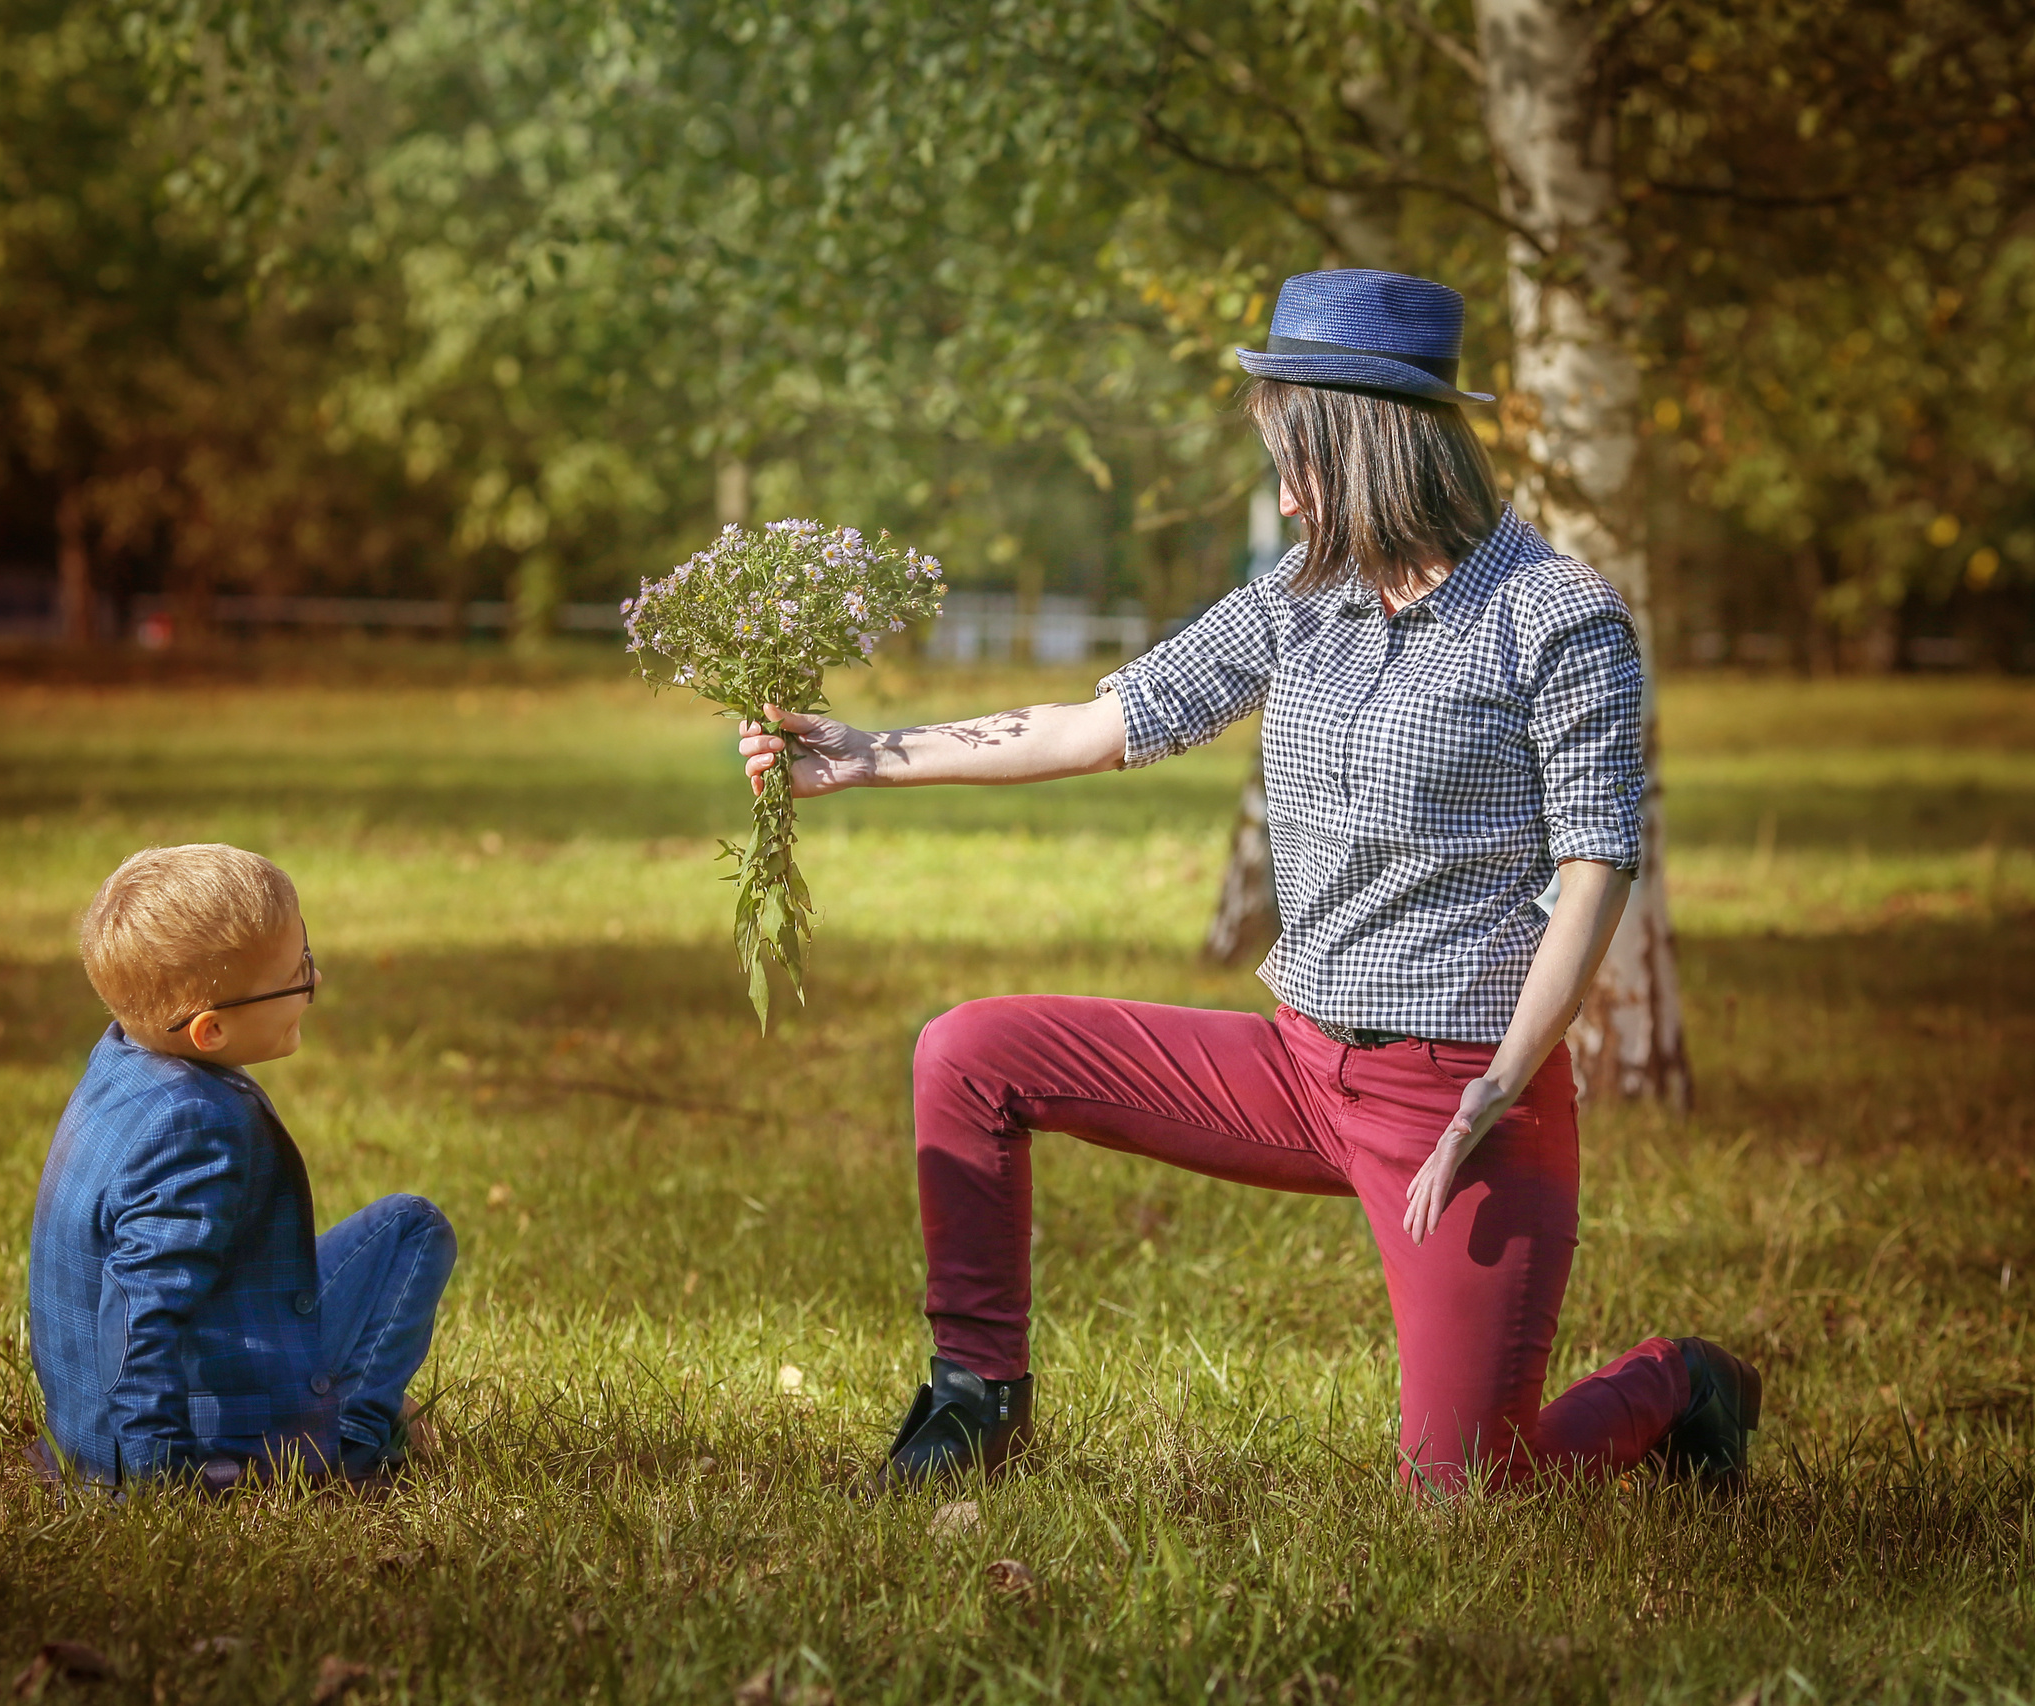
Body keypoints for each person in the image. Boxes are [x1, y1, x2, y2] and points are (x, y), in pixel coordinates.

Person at [739, 269, 1760, 1496]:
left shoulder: (1556, 617)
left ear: (1372, 447)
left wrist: (1493, 1088)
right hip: (1296, 1060)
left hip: (1458, 1094)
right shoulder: (1303, 598)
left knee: (1467, 1489)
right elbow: (1102, 720)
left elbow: (1595, 870)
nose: (1282, 492)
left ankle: (1680, 1383)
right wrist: (865, 756)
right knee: (970, 1051)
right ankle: (976, 1399)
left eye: (1296, 459)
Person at [28, 843, 455, 1491]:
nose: (315, 981)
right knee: (418, 1231)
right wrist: (155, 1482)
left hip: (112, 1407)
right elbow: (140, 1316)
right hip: (189, 1440)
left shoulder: (123, 1054)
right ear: (212, 1033)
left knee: (402, 1227)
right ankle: (349, 1452)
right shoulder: (192, 1126)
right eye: (298, 973)